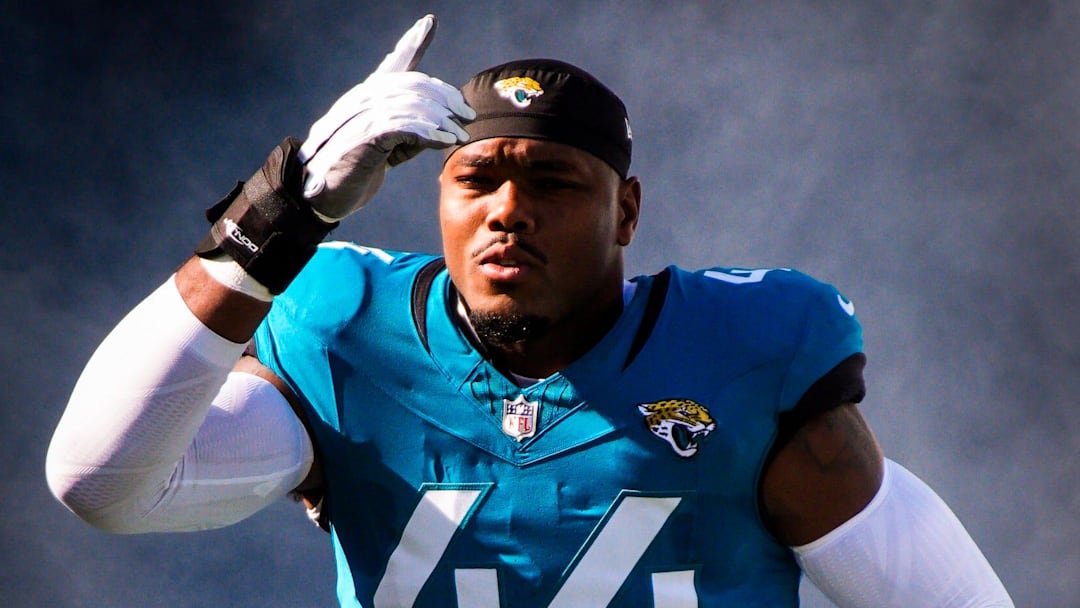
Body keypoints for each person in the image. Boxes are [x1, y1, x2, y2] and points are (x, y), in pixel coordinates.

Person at [46, 14, 1013, 608]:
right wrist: (278, 216)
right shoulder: (345, 332)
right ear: (436, 198)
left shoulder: (745, 363)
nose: (509, 210)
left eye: (551, 180)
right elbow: (101, 482)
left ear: (626, 210)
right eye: (478, 180)